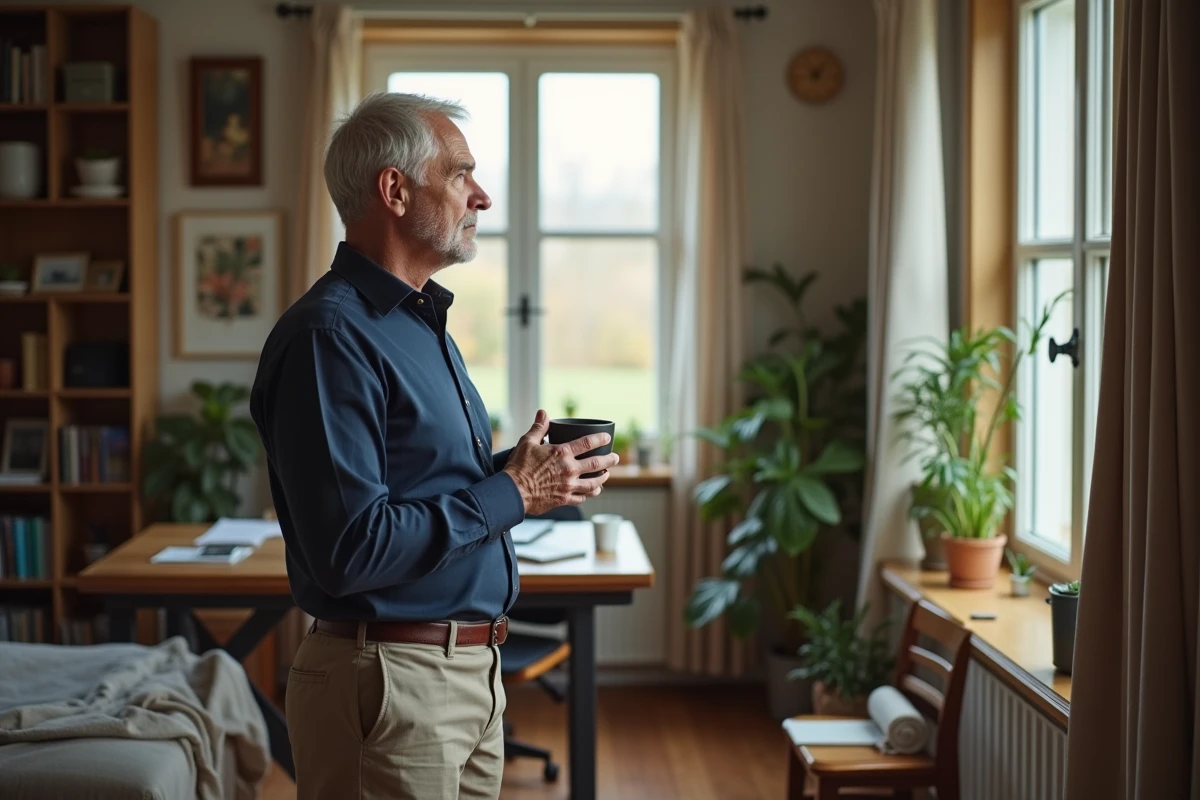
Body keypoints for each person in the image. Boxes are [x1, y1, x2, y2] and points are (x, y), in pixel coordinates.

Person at [249, 92, 619, 800]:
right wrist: (512, 493)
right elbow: (353, 547)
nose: (481, 196)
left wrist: (520, 474)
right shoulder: (331, 338)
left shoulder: (418, 326)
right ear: (394, 189)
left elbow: (424, 485)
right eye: (460, 175)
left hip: (468, 679)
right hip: (392, 683)